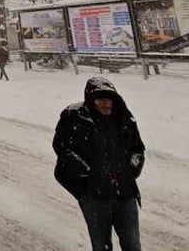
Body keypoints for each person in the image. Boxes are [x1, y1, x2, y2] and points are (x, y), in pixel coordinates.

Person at [53, 77, 146, 251]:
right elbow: (62, 147)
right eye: (100, 100)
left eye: (108, 99)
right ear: (90, 100)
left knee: (132, 245)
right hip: (95, 197)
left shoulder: (124, 117)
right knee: (101, 246)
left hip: (125, 194)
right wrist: (88, 174)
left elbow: (138, 149)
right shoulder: (74, 116)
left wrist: (132, 170)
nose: (105, 104)